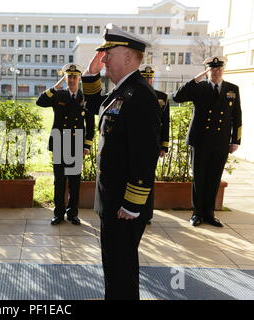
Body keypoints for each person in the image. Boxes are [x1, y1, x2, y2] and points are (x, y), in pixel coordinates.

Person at [82, 24, 160, 300]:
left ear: (127, 56)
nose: (103, 59)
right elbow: (95, 107)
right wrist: (91, 75)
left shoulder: (139, 96)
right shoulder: (123, 91)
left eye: (108, 54)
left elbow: (145, 154)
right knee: (114, 267)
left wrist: (133, 203)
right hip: (113, 200)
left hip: (124, 205)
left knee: (122, 270)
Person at [173, 56, 242, 228]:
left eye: (219, 69)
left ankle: (209, 214)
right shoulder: (199, 87)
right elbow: (177, 97)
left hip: (221, 141)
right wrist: (195, 80)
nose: (216, 72)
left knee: (214, 177)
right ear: (208, 71)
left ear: (223, 70)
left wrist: (236, 141)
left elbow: (237, 116)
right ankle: (197, 213)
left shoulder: (232, 89)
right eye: (213, 69)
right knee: (199, 177)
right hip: (200, 140)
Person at [36, 63, 95, 225]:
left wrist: (87, 145)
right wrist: (54, 88)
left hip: (76, 144)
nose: (72, 80)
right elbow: (40, 102)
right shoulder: (59, 95)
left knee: (75, 182)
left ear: (79, 78)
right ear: (65, 78)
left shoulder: (85, 98)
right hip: (60, 143)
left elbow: (91, 125)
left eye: (75, 77)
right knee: (59, 181)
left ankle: (73, 213)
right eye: (69, 77)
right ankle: (59, 214)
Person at [140, 65, 170, 225]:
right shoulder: (135, 95)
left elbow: (166, 123)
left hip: (153, 146)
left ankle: (146, 214)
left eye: (150, 77)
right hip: (136, 144)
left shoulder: (162, 97)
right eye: (145, 77)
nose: (148, 80)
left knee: (149, 180)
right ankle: (134, 210)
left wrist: (164, 146)